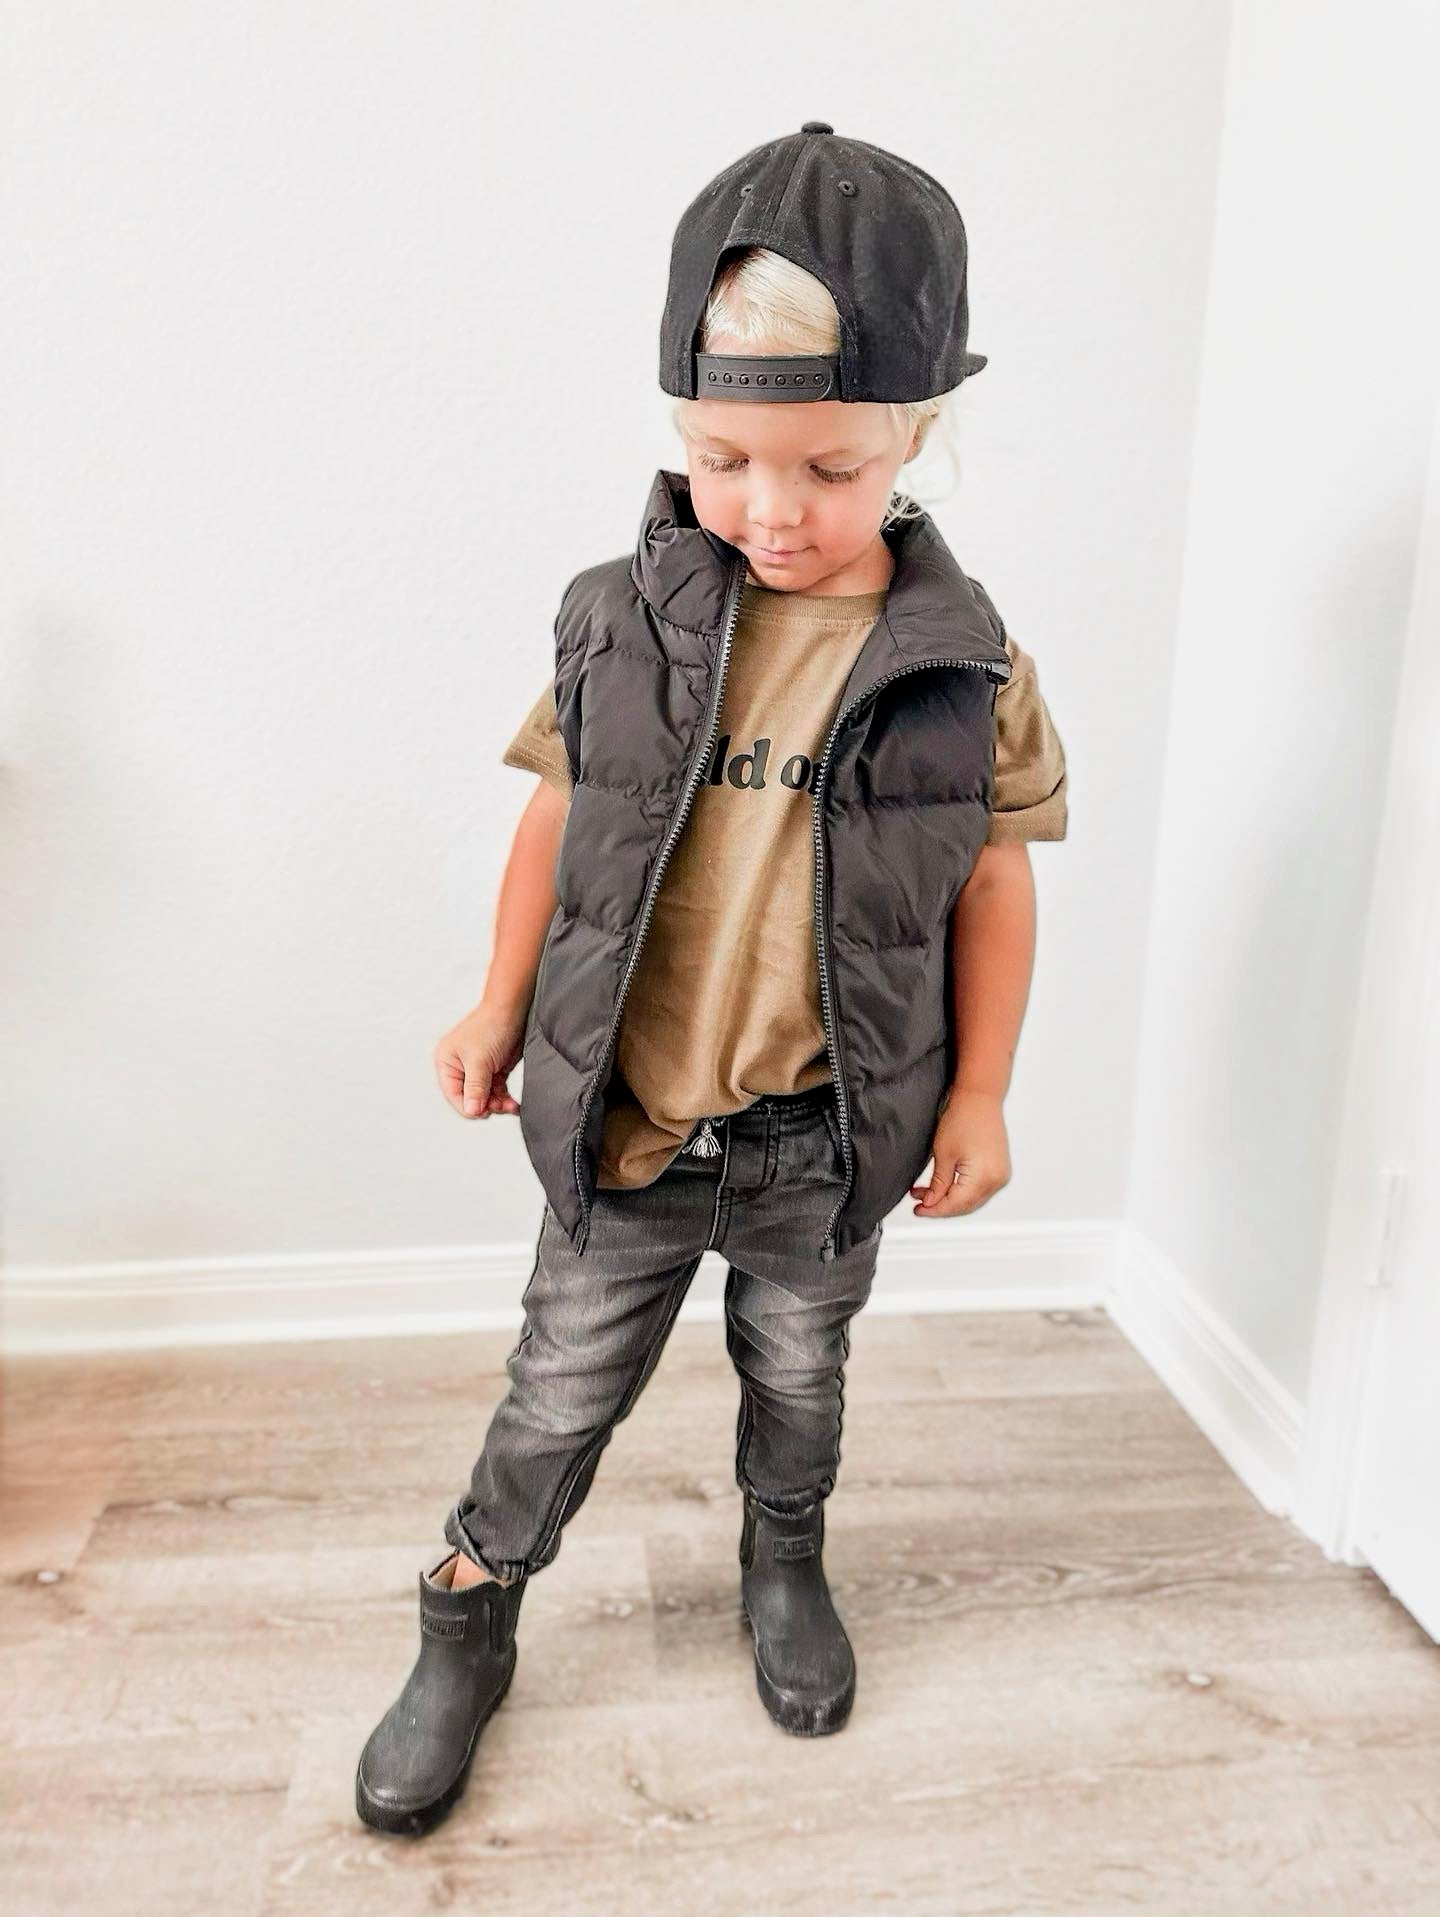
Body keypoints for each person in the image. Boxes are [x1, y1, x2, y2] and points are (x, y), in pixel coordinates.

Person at [355, 121, 1068, 1837]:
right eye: (724, 455)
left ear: (916, 432)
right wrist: (496, 1001)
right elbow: (556, 815)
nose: (771, 506)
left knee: (802, 1375)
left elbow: (995, 875)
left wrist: (979, 1092)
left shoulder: (967, 665)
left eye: (829, 465)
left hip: (826, 1135)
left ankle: (784, 1554)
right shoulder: (620, 618)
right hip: (632, 1119)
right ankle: (471, 1603)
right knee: (557, 1386)